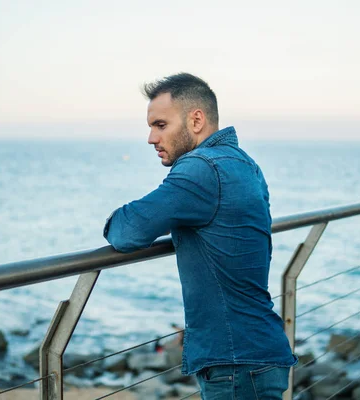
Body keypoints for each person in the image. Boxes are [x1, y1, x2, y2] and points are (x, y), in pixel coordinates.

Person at [103, 73, 297, 399]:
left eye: (161, 125)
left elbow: (128, 231)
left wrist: (110, 220)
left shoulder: (200, 169)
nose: (151, 138)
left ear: (196, 120)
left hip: (234, 361)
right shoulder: (245, 163)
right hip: (256, 351)